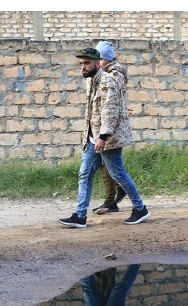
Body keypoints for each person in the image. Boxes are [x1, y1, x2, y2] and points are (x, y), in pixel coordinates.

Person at [59, 47, 150, 228]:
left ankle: (140, 209)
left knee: (117, 173)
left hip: (109, 138)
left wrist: (103, 136)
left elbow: (110, 111)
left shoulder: (108, 82)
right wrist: (91, 137)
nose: (83, 67)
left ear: (97, 62)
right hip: (93, 137)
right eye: (81, 64)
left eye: (86, 63)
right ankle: (80, 216)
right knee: (84, 174)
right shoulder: (91, 81)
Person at [91, 41, 127, 215]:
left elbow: (111, 104)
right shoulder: (105, 72)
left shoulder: (115, 74)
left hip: (111, 130)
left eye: (99, 59)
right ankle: (110, 200)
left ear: (104, 59)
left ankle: (134, 202)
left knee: (115, 168)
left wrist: (105, 132)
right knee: (104, 165)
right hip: (104, 128)